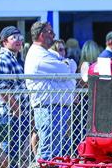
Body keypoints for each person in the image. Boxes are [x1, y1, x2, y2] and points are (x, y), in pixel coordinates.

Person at [24, 21, 77, 160]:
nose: (53, 35)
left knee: (55, 152)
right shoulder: (39, 55)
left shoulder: (46, 53)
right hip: (50, 109)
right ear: (42, 35)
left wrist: (68, 66)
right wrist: (67, 66)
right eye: (50, 32)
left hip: (55, 108)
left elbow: (71, 64)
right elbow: (66, 70)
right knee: (48, 153)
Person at [0, 26, 29, 168]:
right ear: (4, 42)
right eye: (14, 38)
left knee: (15, 153)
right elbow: (3, 90)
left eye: (20, 37)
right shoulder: (2, 59)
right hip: (10, 115)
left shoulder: (13, 58)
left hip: (18, 114)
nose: (19, 41)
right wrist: (17, 110)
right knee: (8, 153)